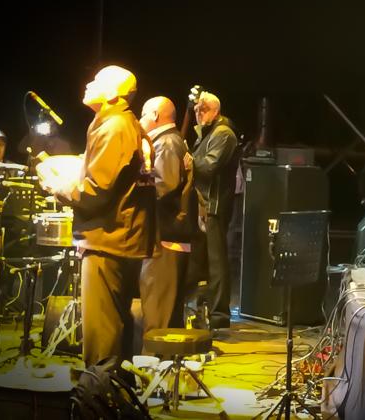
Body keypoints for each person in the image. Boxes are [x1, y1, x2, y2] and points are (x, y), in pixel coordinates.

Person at [40, 64, 156, 366]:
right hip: (117, 238)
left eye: (97, 80)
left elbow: (96, 191)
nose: (88, 84)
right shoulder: (120, 124)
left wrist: (57, 185)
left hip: (108, 239)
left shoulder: (114, 126)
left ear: (115, 93)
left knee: (102, 333)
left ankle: (97, 391)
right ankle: (112, 388)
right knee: (113, 327)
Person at [139, 96, 195, 337]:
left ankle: (154, 357)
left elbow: (163, 186)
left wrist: (133, 194)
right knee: (166, 314)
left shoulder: (167, 143)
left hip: (166, 236)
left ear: (154, 115)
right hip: (170, 235)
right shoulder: (170, 141)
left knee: (158, 315)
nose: (140, 120)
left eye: (142, 114)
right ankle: (165, 357)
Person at [190, 91, 239, 330]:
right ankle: (206, 309)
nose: (199, 113)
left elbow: (209, 167)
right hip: (205, 205)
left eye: (204, 109)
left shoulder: (223, 134)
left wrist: (188, 161)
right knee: (206, 261)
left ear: (216, 111)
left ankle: (219, 316)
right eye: (197, 110)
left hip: (214, 206)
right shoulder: (209, 132)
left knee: (216, 262)